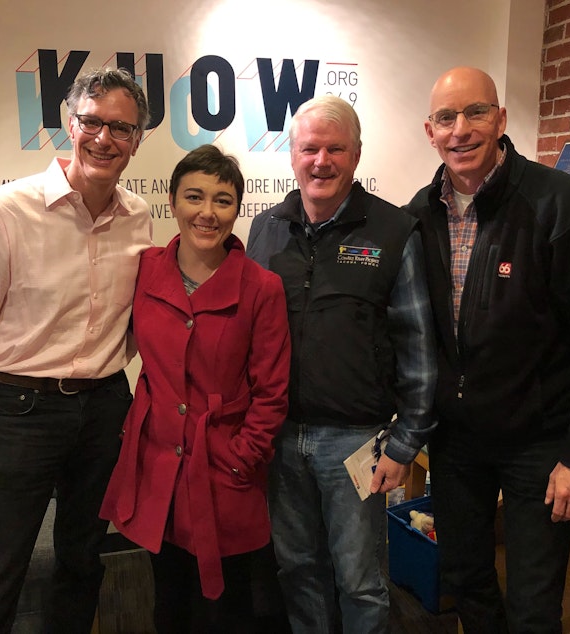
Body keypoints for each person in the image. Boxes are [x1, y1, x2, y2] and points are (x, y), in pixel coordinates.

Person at [0, 67, 153, 632]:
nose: (105, 139)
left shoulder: (139, 219)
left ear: (138, 141)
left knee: (81, 564)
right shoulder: (8, 210)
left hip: (104, 409)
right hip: (19, 412)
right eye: (92, 122)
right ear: (67, 124)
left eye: (121, 129)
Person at [403, 66, 570, 633]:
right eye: (446, 118)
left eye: (476, 112)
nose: (461, 130)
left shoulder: (559, 203)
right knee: (467, 582)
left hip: (540, 443)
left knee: (533, 605)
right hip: (456, 444)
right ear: (429, 131)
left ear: (501, 120)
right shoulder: (418, 215)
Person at [247, 95, 437, 634]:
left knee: (359, 579)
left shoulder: (392, 231)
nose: (321, 161)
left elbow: (419, 345)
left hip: (356, 442)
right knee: (298, 567)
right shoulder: (266, 230)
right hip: (280, 438)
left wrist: (405, 444)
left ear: (356, 156)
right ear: (292, 155)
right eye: (310, 148)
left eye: (335, 148)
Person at [100, 145, 291, 633]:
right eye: (195, 197)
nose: (207, 213)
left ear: (237, 210)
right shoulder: (145, 269)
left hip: (224, 466)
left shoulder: (261, 286)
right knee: (167, 599)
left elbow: (272, 392)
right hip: (159, 466)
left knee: (226, 610)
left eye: (223, 200)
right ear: (172, 202)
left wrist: (242, 458)